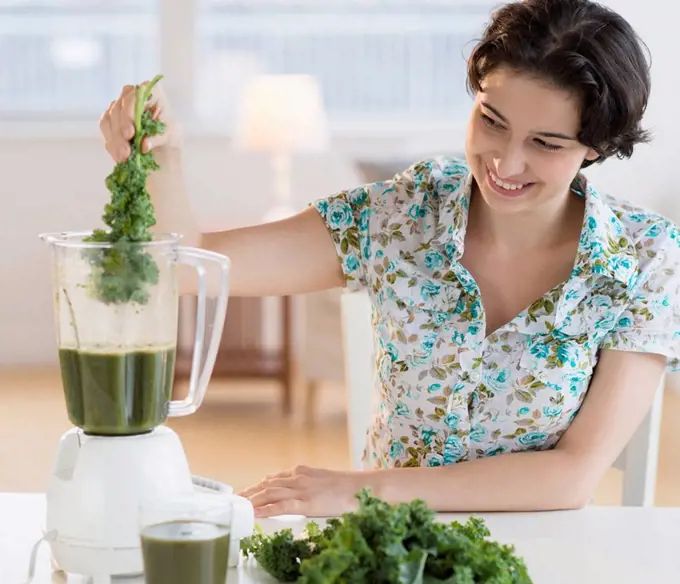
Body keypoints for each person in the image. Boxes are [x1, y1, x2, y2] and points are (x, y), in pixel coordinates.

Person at [100, 0, 680, 518]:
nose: (505, 162)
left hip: (546, 559)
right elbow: (188, 268)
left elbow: (572, 476)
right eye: (491, 122)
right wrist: (160, 157)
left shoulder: (646, 257)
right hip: (390, 548)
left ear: (597, 147)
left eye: (545, 144)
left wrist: (359, 490)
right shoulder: (408, 211)